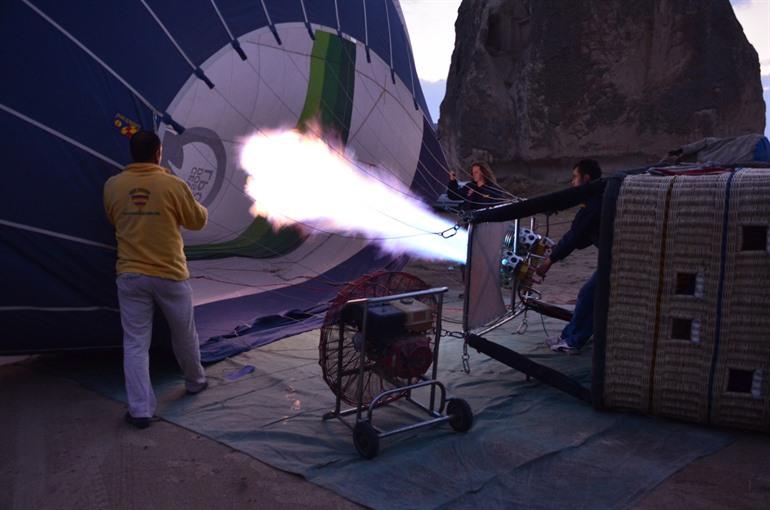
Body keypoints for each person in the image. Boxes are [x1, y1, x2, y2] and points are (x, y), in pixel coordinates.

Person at [104, 130, 209, 429]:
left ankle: (140, 410)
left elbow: (113, 218)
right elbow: (198, 221)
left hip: (130, 275)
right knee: (184, 333)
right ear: (158, 153)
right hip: (170, 275)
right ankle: (195, 381)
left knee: (135, 343)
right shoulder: (173, 185)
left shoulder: (112, 186)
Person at [536, 159, 602, 353]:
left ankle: (574, 341)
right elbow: (583, 236)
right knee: (591, 296)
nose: (572, 182)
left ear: (586, 178)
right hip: (614, 257)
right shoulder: (597, 198)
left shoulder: (593, 204)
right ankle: (569, 336)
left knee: (589, 296)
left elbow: (575, 235)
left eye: (575, 177)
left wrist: (549, 260)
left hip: (619, 259)